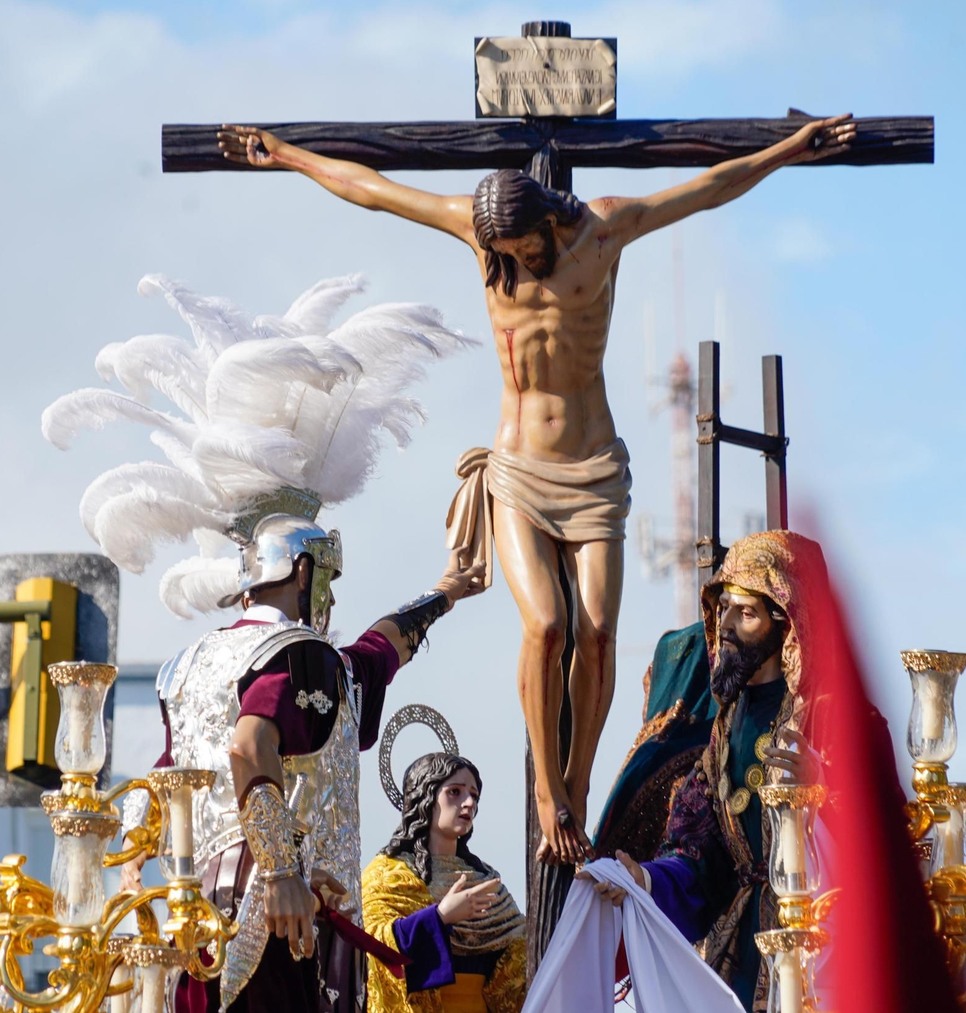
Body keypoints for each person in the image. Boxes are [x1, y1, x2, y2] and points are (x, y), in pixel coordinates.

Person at [218, 116, 857, 862]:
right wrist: (287, 155)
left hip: (592, 472)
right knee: (546, 626)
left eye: (521, 252)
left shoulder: (606, 231)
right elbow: (378, 192)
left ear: (549, 225)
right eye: (498, 255)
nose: (507, 265)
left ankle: (580, 783)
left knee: (598, 634)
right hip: (520, 468)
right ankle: (550, 790)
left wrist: (787, 150)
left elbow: (707, 190)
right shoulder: (481, 235)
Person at [44, 274, 483, 1013]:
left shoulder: (192, 667)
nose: (333, 599)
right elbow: (252, 746)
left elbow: (371, 655)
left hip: (198, 926)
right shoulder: (297, 652)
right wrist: (280, 870)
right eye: (329, 578)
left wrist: (446, 592)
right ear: (305, 569)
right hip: (281, 920)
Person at [585, 531, 838, 1011]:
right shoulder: (724, 728)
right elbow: (699, 852)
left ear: (786, 626)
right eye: (723, 608)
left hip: (816, 943)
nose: (726, 625)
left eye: (745, 613)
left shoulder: (830, 715)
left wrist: (823, 790)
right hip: (738, 952)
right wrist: (648, 880)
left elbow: (883, 836)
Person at [361, 753, 526, 1013]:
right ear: (425, 798)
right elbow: (374, 947)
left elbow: (523, 958)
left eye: (474, 795)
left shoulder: (486, 881)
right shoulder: (386, 874)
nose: (469, 802)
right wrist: (439, 918)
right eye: (455, 792)